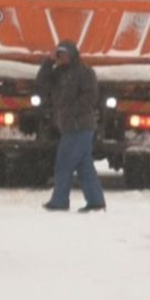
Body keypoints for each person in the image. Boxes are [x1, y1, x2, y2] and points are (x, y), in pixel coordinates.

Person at [36, 40, 106, 213]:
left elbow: (90, 97)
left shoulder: (85, 73)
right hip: (69, 126)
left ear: (74, 54)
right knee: (84, 166)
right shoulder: (58, 73)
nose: (63, 57)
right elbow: (41, 83)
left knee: (64, 164)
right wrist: (48, 61)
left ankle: (59, 200)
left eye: (66, 54)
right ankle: (96, 201)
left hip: (80, 126)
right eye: (60, 54)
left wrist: (71, 112)